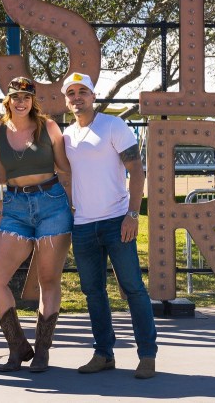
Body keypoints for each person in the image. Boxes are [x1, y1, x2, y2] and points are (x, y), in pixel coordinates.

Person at [62, 73, 158, 380]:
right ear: (67, 100)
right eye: (72, 93)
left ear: (93, 96)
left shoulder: (113, 125)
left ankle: (147, 355)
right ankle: (104, 353)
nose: (77, 97)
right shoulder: (66, 136)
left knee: (133, 289)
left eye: (83, 92)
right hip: (83, 225)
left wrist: (133, 214)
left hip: (117, 221)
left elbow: (136, 170)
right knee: (93, 292)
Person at [0, 76, 72, 373]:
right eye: (16, 96)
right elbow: (1, 173)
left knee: (48, 279)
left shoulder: (48, 127)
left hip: (52, 204)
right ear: (8, 100)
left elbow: (65, 168)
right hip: (15, 209)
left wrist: (75, 204)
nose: (21, 101)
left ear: (33, 101)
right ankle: (18, 346)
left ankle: (43, 351)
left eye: (26, 97)